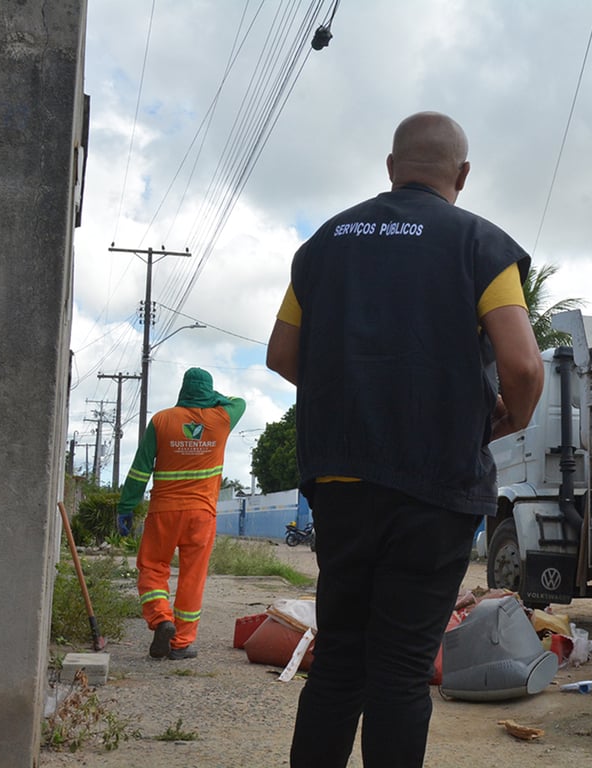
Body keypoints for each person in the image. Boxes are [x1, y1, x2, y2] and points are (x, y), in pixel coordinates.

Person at [266, 111, 544, 767]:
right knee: (399, 668)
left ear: (392, 169)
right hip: (434, 483)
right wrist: (513, 415)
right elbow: (525, 366)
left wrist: (354, 391)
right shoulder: (479, 242)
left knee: (339, 661)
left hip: (340, 480)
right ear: (463, 176)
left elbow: (282, 353)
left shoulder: (324, 244)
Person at [117, 367, 246, 660]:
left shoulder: (162, 420)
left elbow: (140, 469)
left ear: (183, 389)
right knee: (193, 576)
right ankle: (181, 643)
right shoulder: (221, 419)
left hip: (164, 512)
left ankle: (161, 619)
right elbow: (238, 402)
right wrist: (209, 398)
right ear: (207, 392)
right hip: (201, 514)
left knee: (152, 567)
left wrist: (126, 507)